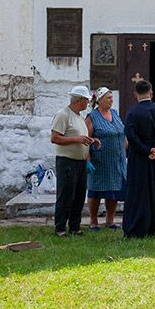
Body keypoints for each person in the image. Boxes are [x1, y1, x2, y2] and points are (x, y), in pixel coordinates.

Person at [123, 79, 155, 238]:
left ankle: (138, 228)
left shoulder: (133, 112)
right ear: (151, 93)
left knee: (139, 192)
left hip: (140, 158)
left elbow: (131, 136)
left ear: (135, 94)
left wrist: (146, 150)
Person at [50, 85, 100, 236]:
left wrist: (91, 140)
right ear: (78, 100)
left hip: (80, 161)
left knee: (78, 195)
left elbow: (80, 137)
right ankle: (60, 227)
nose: (88, 104)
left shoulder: (79, 117)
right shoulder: (63, 115)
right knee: (66, 194)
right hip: (67, 161)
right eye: (86, 101)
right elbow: (55, 138)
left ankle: (74, 226)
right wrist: (77, 139)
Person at [85, 87, 127, 230]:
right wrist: (87, 159)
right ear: (100, 100)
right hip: (99, 161)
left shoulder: (114, 113)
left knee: (113, 191)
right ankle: (93, 221)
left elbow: (122, 132)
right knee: (95, 191)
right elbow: (87, 139)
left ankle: (110, 220)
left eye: (112, 98)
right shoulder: (92, 117)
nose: (111, 100)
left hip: (116, 161)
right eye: (108, 98)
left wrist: (126, 148)